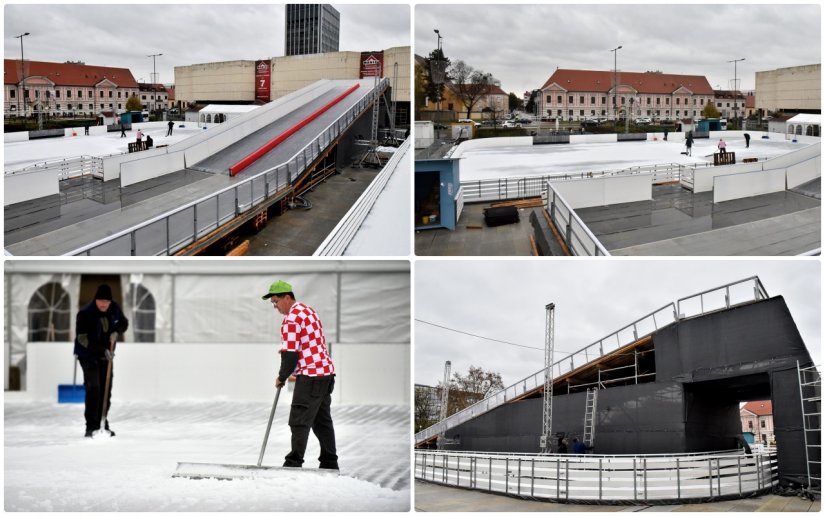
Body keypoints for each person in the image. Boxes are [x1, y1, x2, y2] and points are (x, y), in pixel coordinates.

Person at [262, 280, 338, 470]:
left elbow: (291, 355)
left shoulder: (290, 319)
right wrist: (294, 365)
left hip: (311, 376)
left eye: (276, 301)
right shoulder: (307, 311)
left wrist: (282, 376)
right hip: (325, 373)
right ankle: (330, 463)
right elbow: (308, 344)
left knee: (299, 421)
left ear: (287, 297)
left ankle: (293, 463)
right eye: (272, 303)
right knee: (322, 422)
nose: (275, 306)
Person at [74, 284, 129, 438]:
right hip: (88, 355)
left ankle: (103, 423)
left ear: (110, 302)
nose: (103, 304)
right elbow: (82, 339)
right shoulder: (85, 313)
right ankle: (91, 427)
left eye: (106, 301)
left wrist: (116, 332)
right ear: (95, 300)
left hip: (106, 356)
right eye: (100, 301)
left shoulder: (114, 308)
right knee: (94, 387)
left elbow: (124, 323)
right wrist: (102, 350)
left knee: (106, 389)